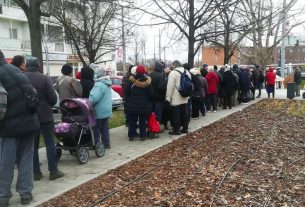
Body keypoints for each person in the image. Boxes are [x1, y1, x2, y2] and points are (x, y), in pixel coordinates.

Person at [0, 50, 40, 206]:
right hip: (29, 122)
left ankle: (3, 195)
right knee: (26, 159)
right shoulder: (15, 70)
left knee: (6, 162)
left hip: (10, 126)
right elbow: (33, 92)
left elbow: (1, 99)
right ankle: (25, 194)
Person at [24, 57, 64, 181]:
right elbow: (53, 98)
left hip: (29, 116)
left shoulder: (22, 78)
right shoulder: (44, 78)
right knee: (49, 143)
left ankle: (36, 172)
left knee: (33, 145)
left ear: (26, 65)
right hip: (45, 116)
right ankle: (53, 171)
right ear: (38, 65)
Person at [125, 65, 153, 141]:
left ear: (136, 71)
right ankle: (142, 136)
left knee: (132, 121)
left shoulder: (131, 80)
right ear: (144, 72)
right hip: (143, 105)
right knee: (143, 122)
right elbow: (151, 94)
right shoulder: (147, 81)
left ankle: (131, 136)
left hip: (132, 104)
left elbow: (126, 91)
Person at [89, 67, 112, 149]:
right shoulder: (107, 83)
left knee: (96, 128)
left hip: (99, 110)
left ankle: (96, 144)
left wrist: (89, 102)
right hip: (106, 109)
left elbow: (94, 98)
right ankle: (106, 143)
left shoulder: (99, 85)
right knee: (105, 127)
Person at [166, 60, 191, 135]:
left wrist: (168, 97)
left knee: (176, 114)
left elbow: (170, 86)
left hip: (176, 97)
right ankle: (185, 128)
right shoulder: (187, 72)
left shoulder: (173, 73)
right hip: (185, 96)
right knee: (184, 113)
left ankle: (176, 130)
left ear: (174, 65)